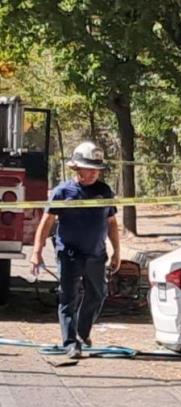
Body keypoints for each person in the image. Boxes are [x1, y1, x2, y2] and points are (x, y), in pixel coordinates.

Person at [30, 141, 121, 360]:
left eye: (96, 170)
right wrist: (37, 250)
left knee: (97, 294)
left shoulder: (104, 191)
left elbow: (111, 223)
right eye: (88, 169)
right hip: (69, 253)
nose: (92, 174)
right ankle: (70, 343)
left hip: (96, 254)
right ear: (76, 168)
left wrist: (117, 250)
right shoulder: (63, 192)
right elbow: (47, 221)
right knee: (68, 297)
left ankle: (81, 331)